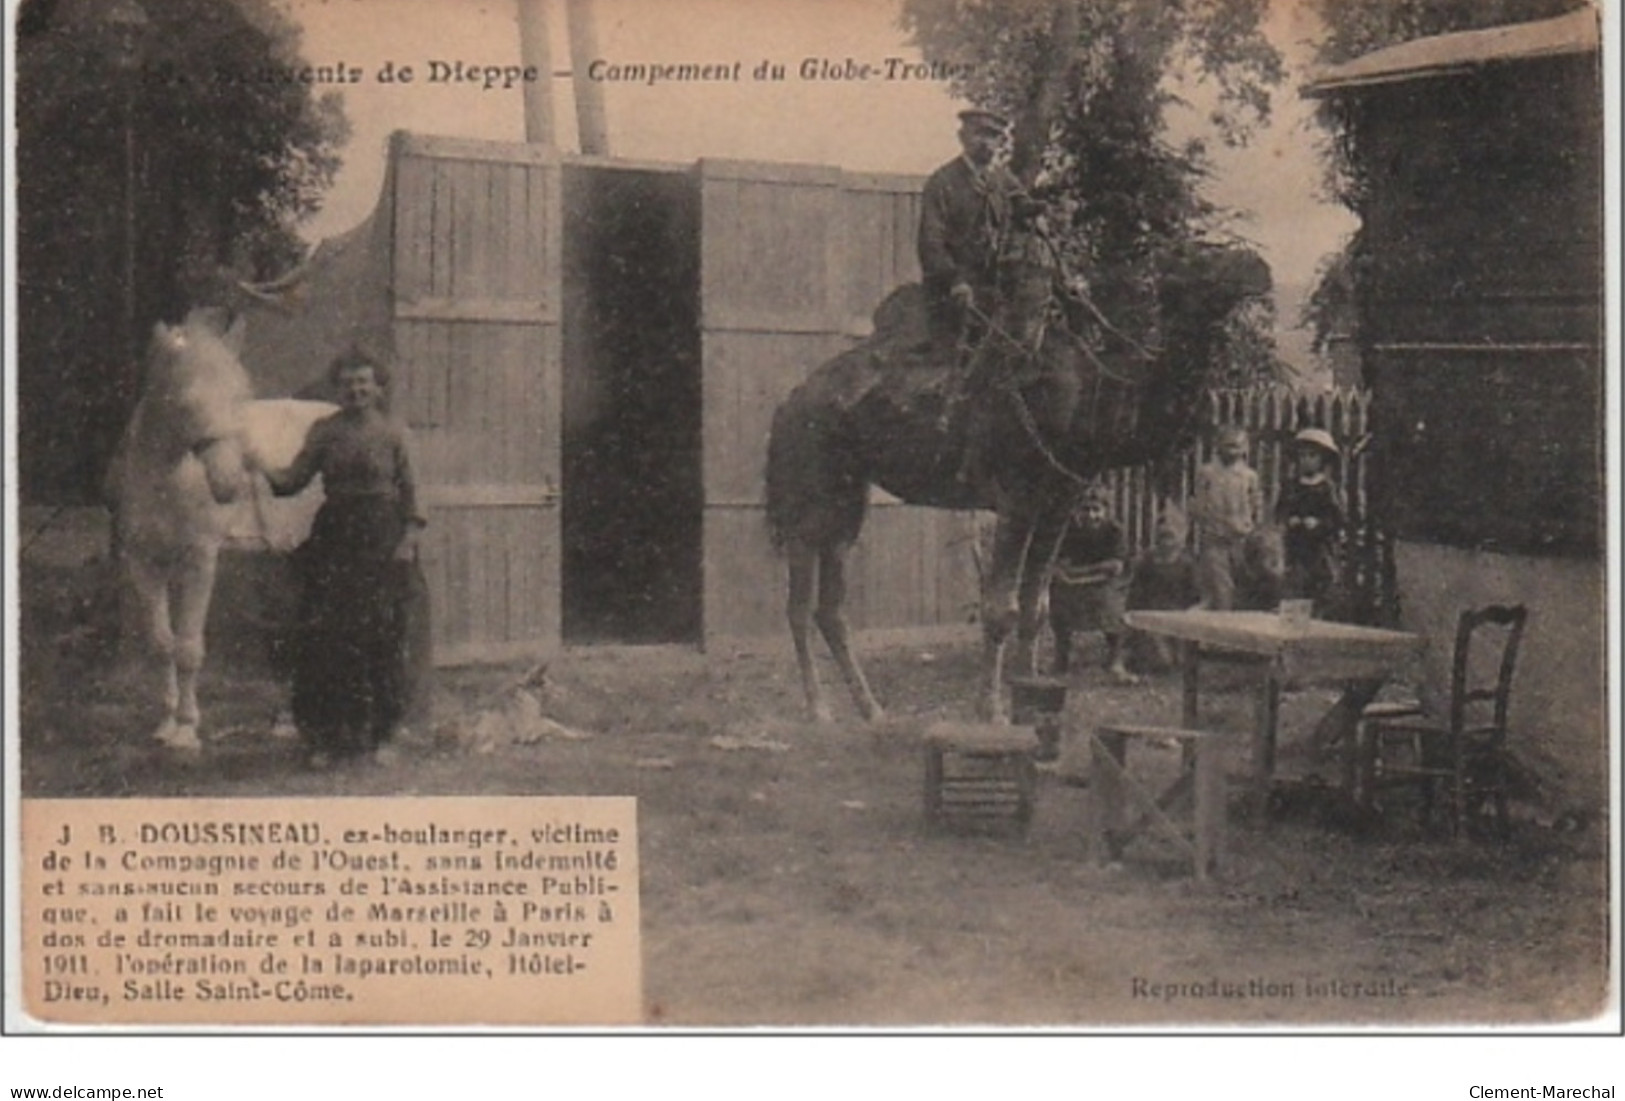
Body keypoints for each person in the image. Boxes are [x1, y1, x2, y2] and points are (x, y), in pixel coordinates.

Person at [261, 350, 427, 768]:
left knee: (383, 635)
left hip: (382, 536)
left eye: (364, 382)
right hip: (335, 536)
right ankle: (327, 738)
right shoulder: (324, 431)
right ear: (338, 388)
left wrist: (407, 540)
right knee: (326, 636)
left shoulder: (394, 432)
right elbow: (291, 481)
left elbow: (413, 494)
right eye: (349, 383)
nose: (356, 390)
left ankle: (382, 734)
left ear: (378, 387)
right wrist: (259, 464)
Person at [918, 107, 1021, 360]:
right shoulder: (943, 181)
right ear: (963, 137)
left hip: (995, 288)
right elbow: (930, 242)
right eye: (979, 134)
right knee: (953, 365)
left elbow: (1023, 213)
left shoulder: (1003, 181)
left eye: (994, 136)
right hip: (953, 292)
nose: (986, 143)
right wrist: (954, 280)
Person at [1048, 485, 1135, 683]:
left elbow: (1115, 567)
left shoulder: (1114, 530)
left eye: (1096, 510)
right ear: (1077, 510)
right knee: (1059, 598)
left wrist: (1080, 571)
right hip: (1074, 582)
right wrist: (1079, 572)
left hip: (1108, 583)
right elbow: (1058, 564)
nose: (1091, 515)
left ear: (1106, 511)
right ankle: (1061, 657)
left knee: (1109, 604)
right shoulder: (1069, 530)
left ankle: (1115, 660)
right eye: (1085, 509)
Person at [1191, 424, 1263, 611]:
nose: (1233, 451)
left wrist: (1249, 527)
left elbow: (1256, 505)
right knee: (1220, 588)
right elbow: (1199, 504)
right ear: (1218, 446)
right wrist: (1210, 523)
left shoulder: (1249, 476)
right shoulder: (1207, 473)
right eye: (1228, 445)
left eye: (1238, 446)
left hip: (1241, 538)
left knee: (1242, 586)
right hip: (1215, 538)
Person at [1275, 427, 1346, 616]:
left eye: (1312, 455)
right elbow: (1280, 510)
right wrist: (1289, 520)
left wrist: (1319, 523)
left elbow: (1337, 518)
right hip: (1296, 546)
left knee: (1319, 588)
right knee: (1295, 587)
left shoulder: (1327, 488)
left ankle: (1317, 621)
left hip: (1319, 547)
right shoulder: (1291, 486)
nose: (1306, 460)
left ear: (1323, 459)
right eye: (1302, 455)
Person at [1124, 506, 1200, 673]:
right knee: (1159, 658)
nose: (1166, 542)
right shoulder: (1147, 561)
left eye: (1171, 536)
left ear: (1182, 537)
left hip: (1177, 616)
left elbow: (1197, 596)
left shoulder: (1187, 563)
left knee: (1179, 659)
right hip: (1151, 616)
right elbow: (1135, 594)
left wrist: (1191, 612)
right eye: (1162, 536)